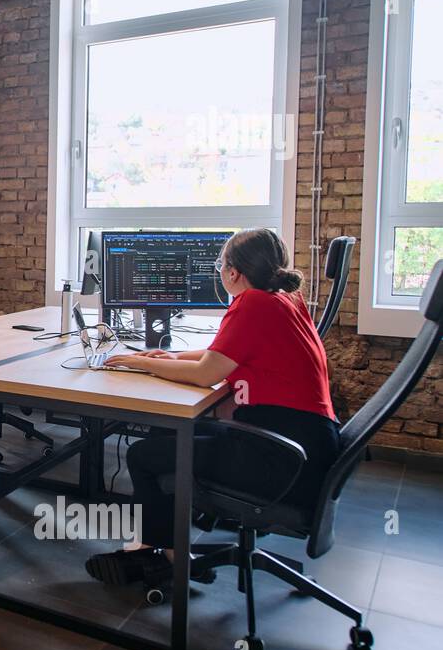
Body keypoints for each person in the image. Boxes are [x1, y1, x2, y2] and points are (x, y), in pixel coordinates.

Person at [83, 228, 342, 588]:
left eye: (221, 266)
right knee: (170, 431)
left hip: (278, 459)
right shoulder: (285, 300)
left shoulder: (252, 304)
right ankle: (160, 548)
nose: (220, 272)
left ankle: (167, 560)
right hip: (306, 447)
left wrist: (140, 363)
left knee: (143, 456)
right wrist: (168, 356)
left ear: (233, 272)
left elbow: (206, 374)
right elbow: (223, 356)